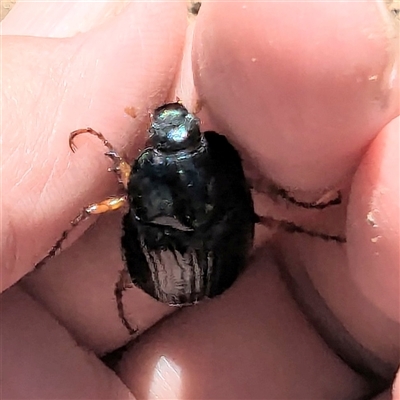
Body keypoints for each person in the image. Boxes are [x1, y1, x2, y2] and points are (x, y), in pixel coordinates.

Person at [1, 2, 399, 399]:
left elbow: (110, 197)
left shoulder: (145, 184)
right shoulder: (216, 176)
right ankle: (312, 223)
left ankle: (122, 301)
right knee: (269, 212)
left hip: (169, 280)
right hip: (215, 268)